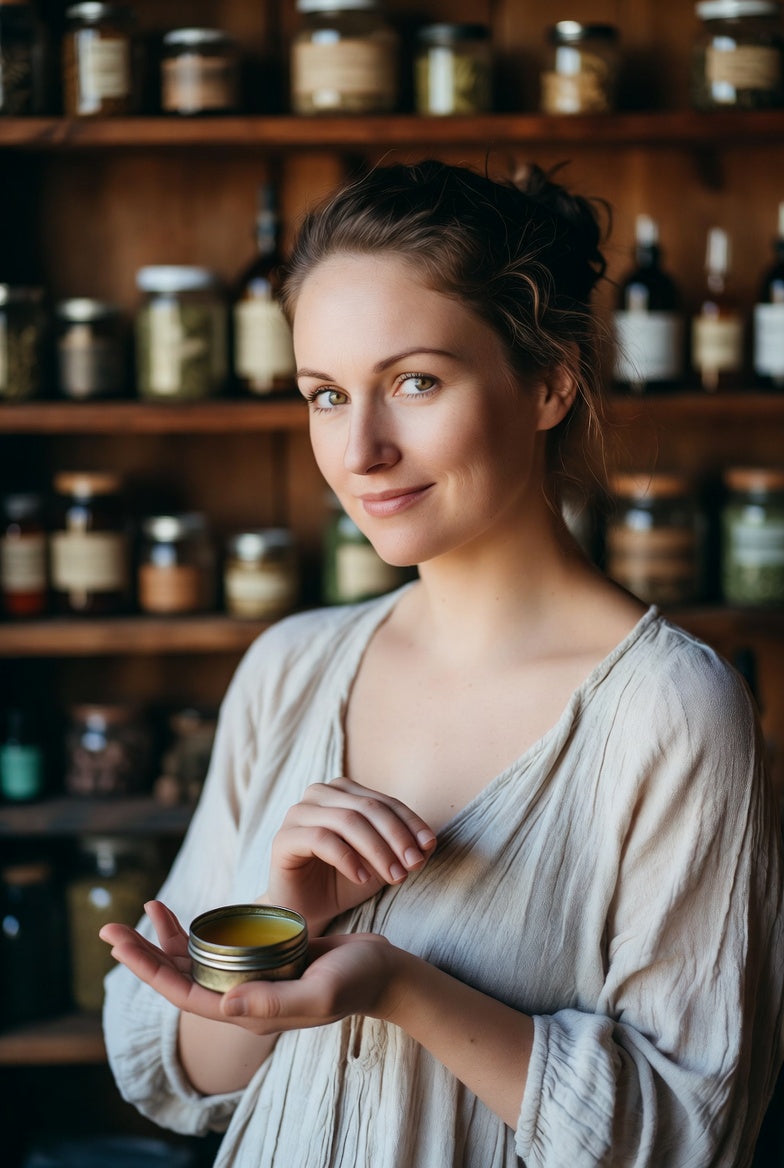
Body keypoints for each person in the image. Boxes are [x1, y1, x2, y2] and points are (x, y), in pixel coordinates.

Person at [100, 159, 784, 1168]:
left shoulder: (670, 708)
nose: (360, 449)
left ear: (550, 380)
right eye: (325, 394)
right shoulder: (290, 665)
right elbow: (189, 1074)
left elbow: (688, 1133)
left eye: (414, 381)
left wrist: (400, 988)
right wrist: (283, 921)